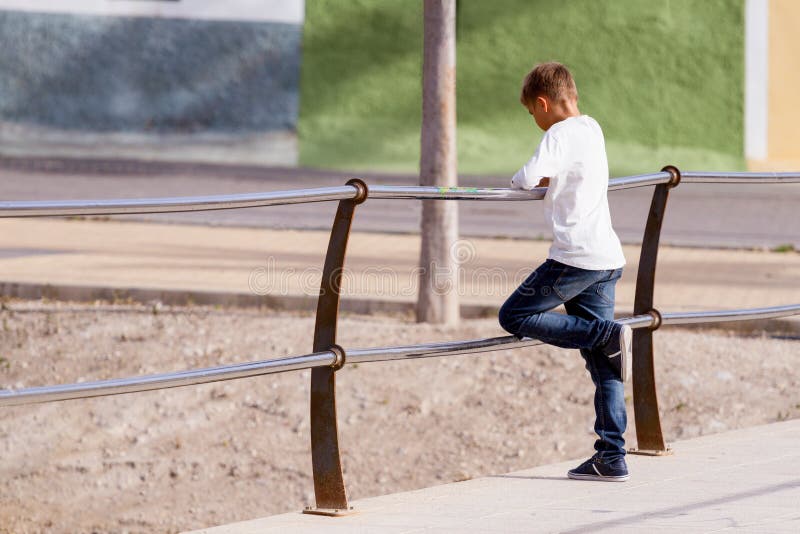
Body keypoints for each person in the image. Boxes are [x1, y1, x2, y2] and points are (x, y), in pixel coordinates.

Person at [497, 62, 632, 482]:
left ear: (543, 103)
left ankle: (606, 334)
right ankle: (612, 456)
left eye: (531, 113)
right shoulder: (592, 128)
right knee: (603, 364)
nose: (534, 121)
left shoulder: (559, 133)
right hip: (607, 257)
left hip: (574, 257)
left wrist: (530, 182)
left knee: (514, 316)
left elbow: (525, 178)